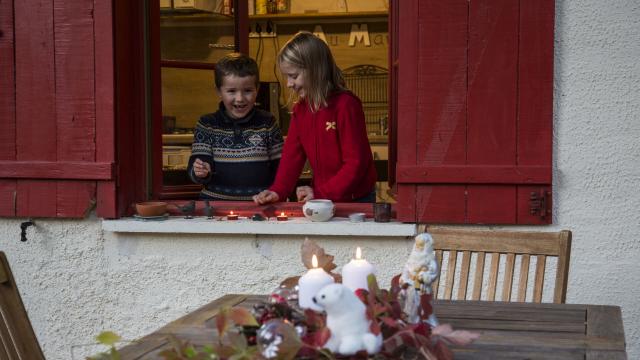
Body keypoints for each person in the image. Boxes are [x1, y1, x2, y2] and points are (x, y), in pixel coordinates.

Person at [253, 31, 376, 205]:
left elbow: (356, 163)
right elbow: (292, 157)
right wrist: (278, 191)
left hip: (356, 199)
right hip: (322, 197)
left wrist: (321, 193)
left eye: (293, 76)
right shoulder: (301, 110)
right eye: (287, 76)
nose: (288, 83)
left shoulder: (346, 105)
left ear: (315, 70)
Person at [188, 53, 284, 200]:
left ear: (257, 89)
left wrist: (280, 193)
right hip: (215, 207)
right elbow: (195, 171)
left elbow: (281, 169)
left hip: (260, 206)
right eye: (231, 91)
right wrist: (200, 171)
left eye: (248, 90)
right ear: (219, 91)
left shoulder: (267, 122)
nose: (240, 99)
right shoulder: (207, 124)